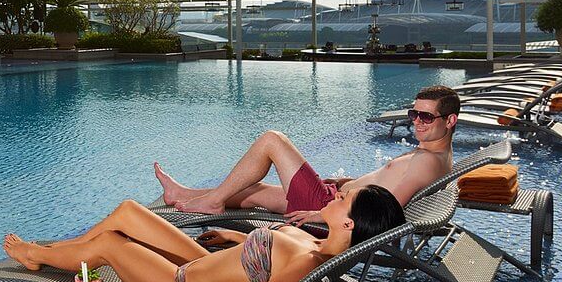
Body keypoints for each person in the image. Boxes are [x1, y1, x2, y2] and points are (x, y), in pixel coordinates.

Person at [2, 188, 404, 282]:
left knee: (109, 242)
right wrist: (235, 235)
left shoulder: (309, 264)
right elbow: (261, 260)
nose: (336, 194)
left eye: (344, 199)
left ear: (349, 226)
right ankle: (59, 251)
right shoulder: (317, 244)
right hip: (203, 264)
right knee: (128, 210)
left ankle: (38, 255)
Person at [155, 85, 460, 220]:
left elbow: (387, 210)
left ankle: (213, 202)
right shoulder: (436, 156)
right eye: (414, 114)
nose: (417, 122)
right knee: (257, 190)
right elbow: (384, 187)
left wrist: (321, 214)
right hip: (334, 198)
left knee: (272, 140)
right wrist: (345, 185)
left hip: (331, 210)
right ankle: (185, 193)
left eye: (426, 117)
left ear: (450, 120)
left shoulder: (426, 162)